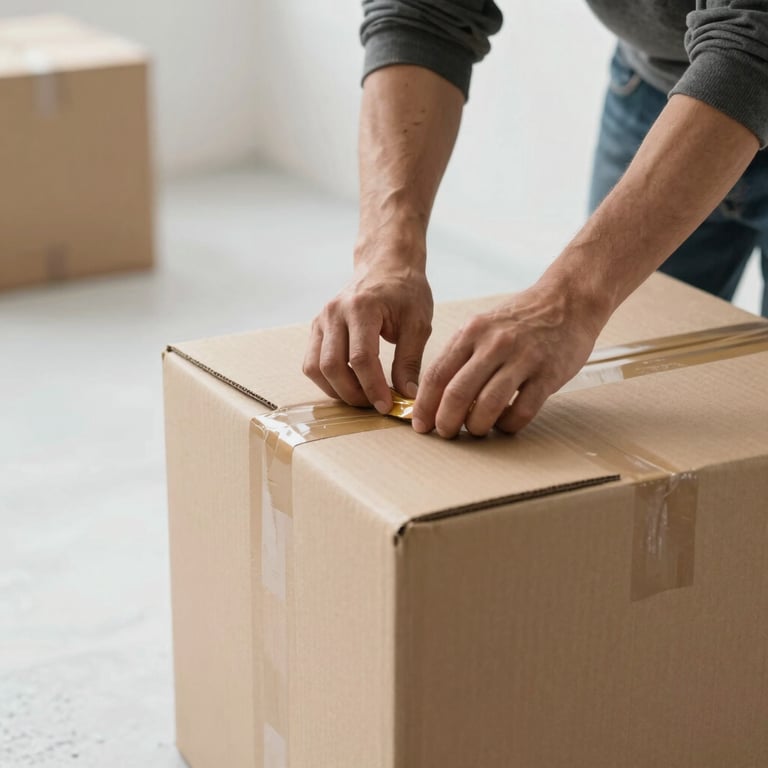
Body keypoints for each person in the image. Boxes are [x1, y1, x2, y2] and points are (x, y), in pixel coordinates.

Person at [303, 1, 768, 439]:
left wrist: (570, 300)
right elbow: (422, 11)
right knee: (651, 396)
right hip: (659, 84)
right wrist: (387, 252)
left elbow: (754, 40)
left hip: (745, 58)